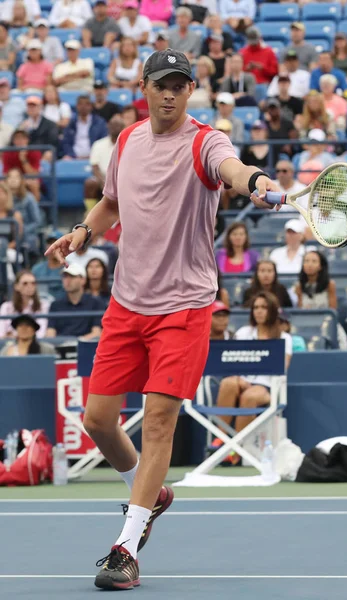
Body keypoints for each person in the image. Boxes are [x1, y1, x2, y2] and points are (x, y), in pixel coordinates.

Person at [44, 47, 280, 589]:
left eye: (180, 84)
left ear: (190, 90)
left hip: (184, 306)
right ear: (145, 88)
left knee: (156, 422)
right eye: (161, 84)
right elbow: (111, 203)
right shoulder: (127, 141)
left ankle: (125, 547)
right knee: (99, 420)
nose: (170, 92)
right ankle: (152, 494)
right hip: (127, 302)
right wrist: (84, 230)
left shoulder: (204, 141)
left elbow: (233, 169)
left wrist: (256, 182)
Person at [213, 292, 292, 453]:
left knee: (249, 396)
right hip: (240, 380)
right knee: (228, 383)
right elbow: (232, 362)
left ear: (272, 311)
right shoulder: (244, 332)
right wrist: (239, 378)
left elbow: (282, 368)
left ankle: (235, 449)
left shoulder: (284, 337)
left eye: (263, 307)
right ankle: (220, 439)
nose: (259, 311)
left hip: (267, 386)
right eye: (256, 307)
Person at [295, 250, 347, 350]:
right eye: (306, 261)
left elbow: (332, 310)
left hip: (326, 323)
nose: (309, 264)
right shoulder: (299, 287)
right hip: (307, 324)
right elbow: (300, 310)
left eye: (314, 261)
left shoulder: (330, 285)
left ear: (320, 266)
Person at [46, 263, 104, 338]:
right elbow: (50, 333)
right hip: (61, 347)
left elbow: (96, 332)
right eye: (65, 276)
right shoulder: (55, 305)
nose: (67, 280)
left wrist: (78, 342)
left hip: (86, 346)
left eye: (72, 276)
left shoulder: (96, 303)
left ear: (83, 280)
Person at [84, 114, 125, 212]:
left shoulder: (129, 143)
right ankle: (90, 213)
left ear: (123, 127)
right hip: (102, 179)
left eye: (118, 125)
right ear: (108, 126)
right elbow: (95, 167)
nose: (115, 128)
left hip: (123, 179)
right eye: (112, 125)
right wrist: (104, 182)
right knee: (90, 183)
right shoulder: (98, 144)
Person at [0, 269, 49, 338]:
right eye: (25, 283)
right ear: (16, 286)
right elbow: (1, 334)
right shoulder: (6, 307)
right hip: (11, 345)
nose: (30, 286)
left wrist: (13, 334)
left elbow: (40, 333)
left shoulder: (43, 305)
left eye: (33, 283)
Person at [6, 168, 41, 254]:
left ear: (21, 180)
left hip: (26, 235)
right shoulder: (3, 198)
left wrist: (21, 231)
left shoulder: (29, 198)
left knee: (28, 240)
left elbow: (37, 221)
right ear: (6, 180)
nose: (13, 180)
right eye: (10, 177)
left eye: (16, 177)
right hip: (6, 234)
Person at [61, 95, 108, 159]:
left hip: (94, 156)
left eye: (87, 104)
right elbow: (66, 142)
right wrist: (72, 155)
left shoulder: (99, 122)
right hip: (73, 156)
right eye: (80, 104)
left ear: (91, 106)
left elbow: (103, 141)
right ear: (77, 106)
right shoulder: (71, 123)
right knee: (65, 160)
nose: (83, 107)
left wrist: (94, 155)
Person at [32, 230, 64, 298]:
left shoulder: (72, 269)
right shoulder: (37, 269)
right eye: (50, 243)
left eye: (56, 243)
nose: (53, 246)